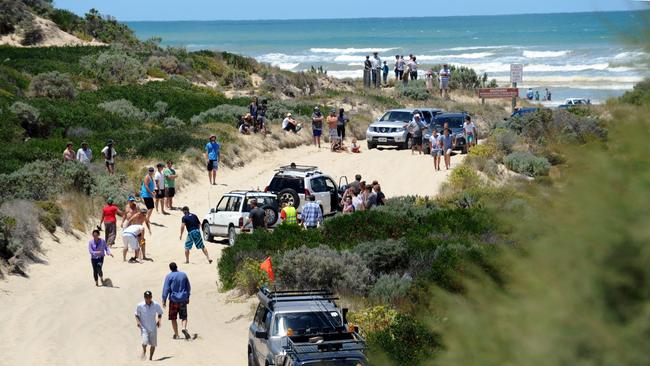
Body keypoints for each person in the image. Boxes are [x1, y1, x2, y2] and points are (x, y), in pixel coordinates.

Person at [162, 262, 192, 340]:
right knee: (184, 316)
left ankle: (177, 334)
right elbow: (188, 287)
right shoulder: (183, 275)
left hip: (173, 300)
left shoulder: (169, 276)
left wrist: (164, 299)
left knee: (173, 318)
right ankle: (184, 328)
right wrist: (188, 296)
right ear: (177, 267)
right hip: (183, 299)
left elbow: (166, 289)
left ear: (170, 268)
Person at [135, 291, 163, 361]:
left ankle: (150, 358)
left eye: (149, 297)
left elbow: (160, 313)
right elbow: (136, 314)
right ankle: (144, 350)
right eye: (146, 297)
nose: (148, 299)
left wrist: (159, 320)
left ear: (151, 297)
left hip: (153, 327)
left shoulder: (156, 304)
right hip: (144, 327)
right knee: (144, 342)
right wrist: (138, 322)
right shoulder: (140, 305)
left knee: (153, 345)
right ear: (144, 298)